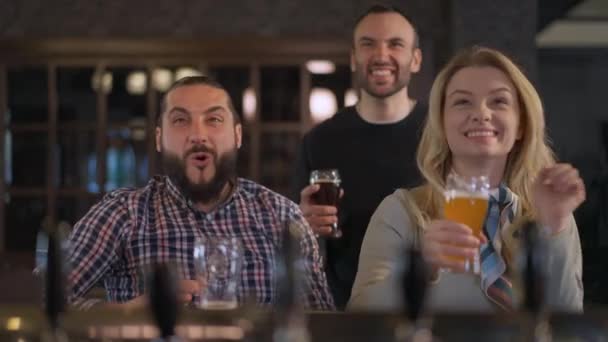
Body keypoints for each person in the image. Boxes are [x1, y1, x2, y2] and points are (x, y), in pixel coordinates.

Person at [348, 46, 585, 313]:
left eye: (499, 101)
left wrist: (554, 227)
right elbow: (359, 313)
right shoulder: (400, 211)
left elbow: (566, 322)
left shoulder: (547, 215)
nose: (481, 113)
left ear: (520, 125)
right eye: (462, 102)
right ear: (442, 122)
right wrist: (421, 266)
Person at [68, 76, 334, 311]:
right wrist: (126, 314)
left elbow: (321, 322)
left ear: (237, 135)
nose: (198, 134)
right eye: (181, 120)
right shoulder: (123, 213)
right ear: (159, 139)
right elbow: (48, 298)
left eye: (214, 120)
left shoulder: (282, 215)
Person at [291, 4, 426, 309]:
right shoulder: (319, 140)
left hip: (428, 303)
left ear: (415, 59)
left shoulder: (443, 134)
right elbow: (298, 239)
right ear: (354, 58)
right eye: (368, 44)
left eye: (395, 44)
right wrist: (304, 225)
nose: (380, 55)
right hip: (346, 310)